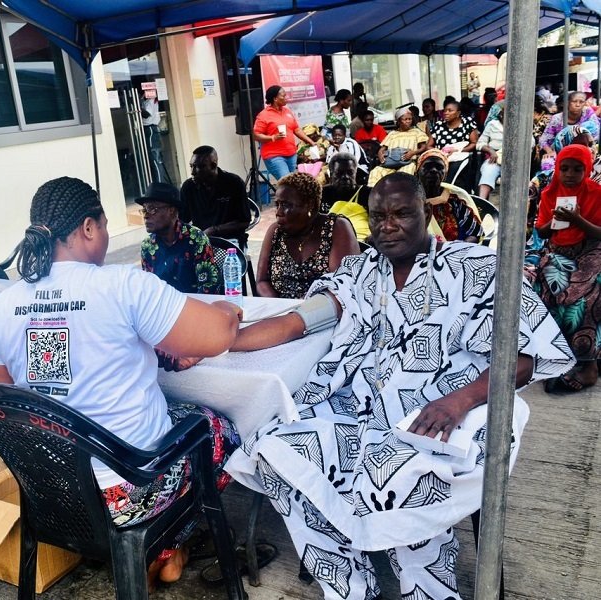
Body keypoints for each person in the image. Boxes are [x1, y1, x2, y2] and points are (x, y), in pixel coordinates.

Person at [226, 172, 574, 600]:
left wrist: (459, 401)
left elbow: (523, 355)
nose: (387, 225)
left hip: (437, 416)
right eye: (378, 216)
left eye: (401, 213)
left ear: (426, 213)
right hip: (358, 411)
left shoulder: (476, 268)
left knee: (398, 475)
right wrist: (223, 341)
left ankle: (426, 591)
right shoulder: (360, 271)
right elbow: (297, 321)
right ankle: (351, 585)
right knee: (270, 450)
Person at [0, 176, 243, 585]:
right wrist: (228, 309)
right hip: (129, 493)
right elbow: (217, 336)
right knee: (218, 428)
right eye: (103, 225)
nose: (105, 234)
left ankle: (156, 553)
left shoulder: (3, 306)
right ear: (88, 228)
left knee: (179, 416)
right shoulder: (121, 286)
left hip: (51, 494)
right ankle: (166, 546)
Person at [532, 144, 601, 393]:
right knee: (543, 290)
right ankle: (555, 355)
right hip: (559, 250)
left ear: (587, 169)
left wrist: (577, 220)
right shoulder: (550, 193)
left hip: (591, 248)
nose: (570, 174)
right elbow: (541, 231)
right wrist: (555, 220)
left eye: (577, 169)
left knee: (584, 295)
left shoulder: (596, 193)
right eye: (565, 168)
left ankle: (588, 365)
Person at [256, 173, 359, 298]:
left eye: (286, 205)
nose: (278, 212)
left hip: (327, 312)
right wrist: (279, 307)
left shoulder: (336, 228)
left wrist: (304, 313)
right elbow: (262, 281)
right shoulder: (276, 232)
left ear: (309, 205)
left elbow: (342, 285)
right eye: (277, 205)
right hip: (281, 310)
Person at [139, 182, 220, 294]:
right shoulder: (147, 246)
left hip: (196, 306)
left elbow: (208, 287)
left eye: (152, 209)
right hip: (163, 309)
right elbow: (149, 289)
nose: (146, 215)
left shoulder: (196, 239)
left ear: (171, 210)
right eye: (144, 210)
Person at [179, 145, 251, 245]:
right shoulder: (188, 187)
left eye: (198, 166)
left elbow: (244, 221)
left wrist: (214, 230)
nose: (192, 172)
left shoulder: (234, 183)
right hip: (202, 242)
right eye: (191, 166)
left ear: (213, 166)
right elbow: (182, 220)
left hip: (231, 241)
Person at [417, 149, 483, 243]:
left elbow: (475, 233)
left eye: (439, 167)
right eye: (427, 166)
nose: (434, 170)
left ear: (445, 174)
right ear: (417, 171)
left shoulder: (455, 200)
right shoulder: (408, 200)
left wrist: (455, 250)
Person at [253, 85, 317, 181]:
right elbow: (256, 135)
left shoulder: (287, 111)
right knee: (287, 182)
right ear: (275, 98)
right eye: (283, 96)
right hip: (274, 156)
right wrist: (273, 137)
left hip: (291, 155)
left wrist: (311, 142)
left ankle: (283, 196)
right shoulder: (263, 115)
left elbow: (296, 129)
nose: (286, 98)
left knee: (289, 184)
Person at [367, 106, 428, 186]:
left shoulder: (416, 132)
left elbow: (423, 147)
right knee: (375, 172)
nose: (408, 121)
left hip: (407, 162)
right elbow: (382, 149)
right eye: (405, 119)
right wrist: (380, 154)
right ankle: (374, 195)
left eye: (410, 119)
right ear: (399, 121)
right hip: (390, 163)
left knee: (404, 174)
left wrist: (413, 153)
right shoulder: (392, 134)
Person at [428, 100, 478, 186]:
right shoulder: (439, 125)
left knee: (455, 166)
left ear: (458, 113)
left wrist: (458, 150)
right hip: (441, 157)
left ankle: (447, 190)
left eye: (450, 111)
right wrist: (440, 153)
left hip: (461, 156)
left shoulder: (467, 123)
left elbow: (474, 143)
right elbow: (428, 146)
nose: (446, 113)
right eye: (445, 110)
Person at [539, 92, 601, 161]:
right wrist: (550, 152)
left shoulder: (588, 113)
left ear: (584, 103)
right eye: (574, 102)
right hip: (561, 153)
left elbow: (595, 132)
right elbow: (544, 139)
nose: (577, 105)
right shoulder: (557, 119)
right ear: (568, 103)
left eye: (581, 102)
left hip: (585, 151)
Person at [476, 103, 505, 199]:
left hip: (515, 161)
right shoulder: (492, 125)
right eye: (502, 113)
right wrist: (491, 151)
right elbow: (480, 144)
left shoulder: (520, 124)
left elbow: (531, 142)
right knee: (488, 171)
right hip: (495, 159)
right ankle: (482, 203)